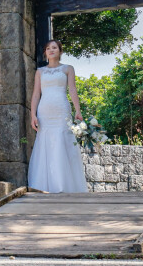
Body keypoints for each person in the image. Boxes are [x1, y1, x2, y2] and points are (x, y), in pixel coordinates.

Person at [27, 39, 88, 193]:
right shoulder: (40, 72)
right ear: (45, 52)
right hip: (44, 112)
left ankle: (64, 186)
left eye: (54, 48)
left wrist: (78, 110)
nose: (51, 50)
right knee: (46, 143)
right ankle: (45, 186)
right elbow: (35, 95)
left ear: (60, 51)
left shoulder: (68, 69)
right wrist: (32, 114)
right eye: (48, 48)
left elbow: (72, 90)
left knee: (63, 141)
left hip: (62, 110)